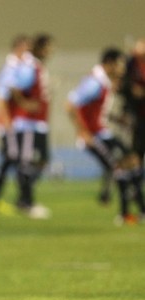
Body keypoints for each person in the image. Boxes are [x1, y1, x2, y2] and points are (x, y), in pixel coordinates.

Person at [67, 48, 145, 224]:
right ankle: (125, 214)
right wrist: (83, 131)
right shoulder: (94, 82)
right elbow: (71, 105)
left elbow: (94, 110)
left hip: (102, 132)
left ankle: (140, 210)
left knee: (133, 160)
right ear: (110, 64)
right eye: (120, 64)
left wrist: (118, 119)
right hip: (93, 136)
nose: (123, 68)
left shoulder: (104, 81)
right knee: (120, 167)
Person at [0, 35, 31, 216]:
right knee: (16, 160)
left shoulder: (19, 68)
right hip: (9, 124)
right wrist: (7, 121)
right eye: (25, 49)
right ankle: (21, 201)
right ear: (18, 49)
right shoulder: (10, 69)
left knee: (11, 161)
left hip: (14, 124)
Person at [8, 33, 54, 219]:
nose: (51, 51)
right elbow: (14, 87)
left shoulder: (38, 66)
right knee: (26, 163)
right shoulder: (29, 67)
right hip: (28, 122)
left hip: (39, 122)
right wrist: (24, 103)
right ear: (41, 48)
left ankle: (23, 196)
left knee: (42, 160)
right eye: (49, 47)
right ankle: (27, 202)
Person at [121, 38, 145, 167]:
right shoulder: (131, 64)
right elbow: (123, 83)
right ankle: (132, 177)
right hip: (136, 115)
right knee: (135, 150)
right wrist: (132, 88)